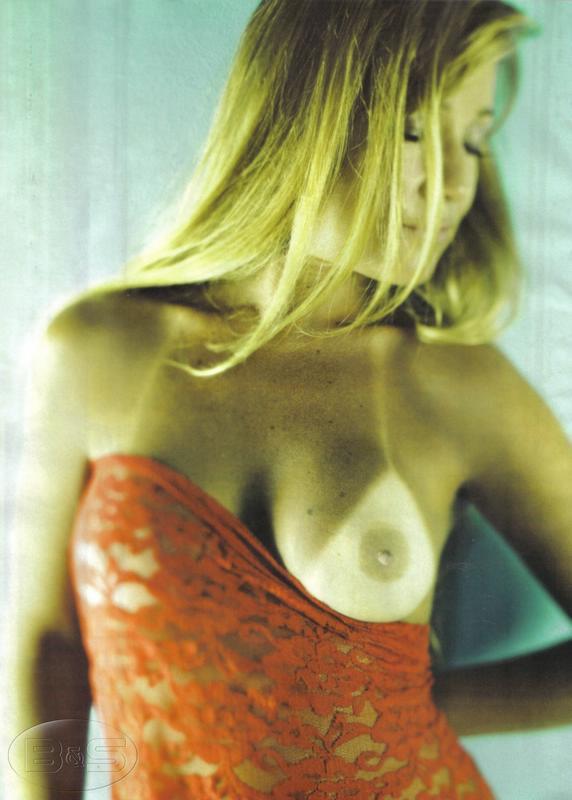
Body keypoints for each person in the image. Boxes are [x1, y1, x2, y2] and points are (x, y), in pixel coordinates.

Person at [6, 1, 572, 798]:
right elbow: (47, 642)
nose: (451, 183)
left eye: (474, 140)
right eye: (413, 129)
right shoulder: (96, 350)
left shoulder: (456, 386)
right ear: (300, 112)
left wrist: (426, 707)